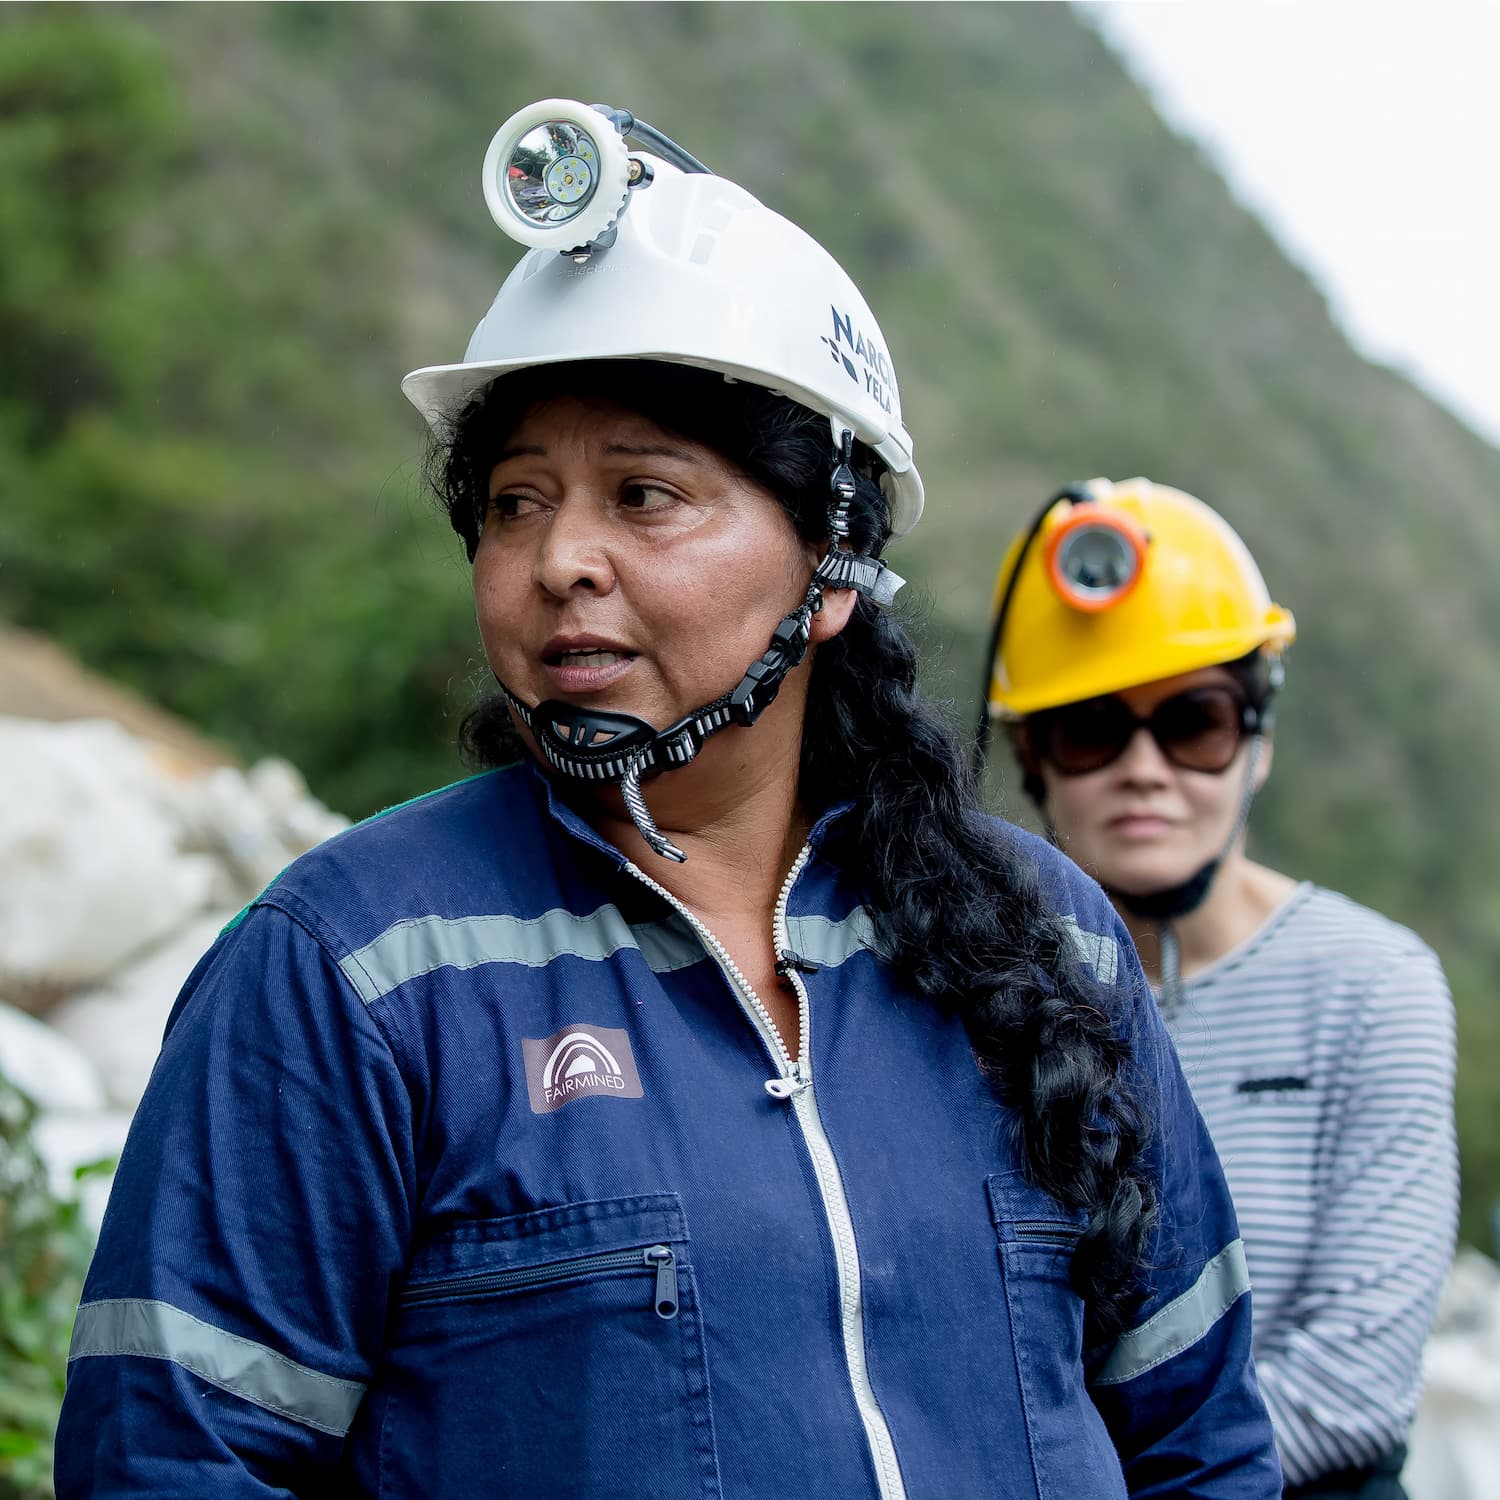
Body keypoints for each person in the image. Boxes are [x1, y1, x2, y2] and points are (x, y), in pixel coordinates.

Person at [57, 102, 1280, 1497]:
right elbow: (173, 1465)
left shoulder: (1043, 939)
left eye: (646, 495)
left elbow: (1202, 1441)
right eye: (513, 503)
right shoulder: (355, 970)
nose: (560, 558)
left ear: (832, 563)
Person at [977, 477, 1458, 1499]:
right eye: (1093, 729)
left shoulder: (1372, 988)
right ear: (1035, 760)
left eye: (1194, 722)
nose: (1145, 768)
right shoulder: (973, 991)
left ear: (1258, 739)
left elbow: (1356, 1385)